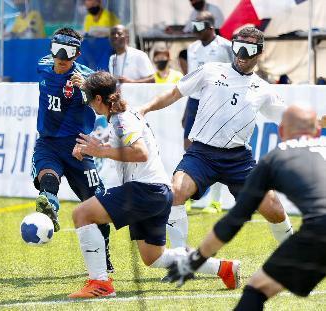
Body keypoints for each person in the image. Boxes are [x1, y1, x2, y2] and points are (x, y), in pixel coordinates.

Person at [68, 71, 240, 298]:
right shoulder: (122, 116)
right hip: (157, 192)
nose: (89, 105)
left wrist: (101, 151)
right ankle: (224, 268)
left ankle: (100, 283)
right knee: (153, 257)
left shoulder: (122, 119)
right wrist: (91, 149)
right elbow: (122, 145)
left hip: (145, 190)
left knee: (82, 214)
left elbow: (140, 153)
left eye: (89, 99)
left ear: (98, 99)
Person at [140, 27, 294, 250]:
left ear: (259, 52)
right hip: (201, 153)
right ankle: (181, 258)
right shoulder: (210, 70)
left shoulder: (264, 89)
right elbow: (175, 92)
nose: (241, 53)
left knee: (275, 210)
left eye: (248, 48)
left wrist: (318, 122)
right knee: (176, 192)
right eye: (237, 46)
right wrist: (144, 109)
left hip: (238, 159)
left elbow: (291, 119)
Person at [163, 105, 326, 311]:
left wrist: (197, 258)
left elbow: (233, 221)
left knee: (256, 290)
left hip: (319, 232)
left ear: (282, 132)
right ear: (319, 131)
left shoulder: (273, 160)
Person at [32, 27, 113, 272]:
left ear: (77, 55)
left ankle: (105, 256)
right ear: (51, 48)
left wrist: (87, 89)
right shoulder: (43, 65)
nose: (61, 57)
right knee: (47, 175)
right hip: (48, 141)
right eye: (58, 49)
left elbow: (110, 98)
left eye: (68, 52)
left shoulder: (87, 78)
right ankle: (50, 207)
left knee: (97, 203)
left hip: (79, 144)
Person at [183, 11, 233, 215]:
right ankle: (186, 195)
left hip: (218, 103)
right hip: (195, 102)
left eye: (198, 26)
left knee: (217, 149)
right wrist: (187, 109)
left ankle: (215, 202)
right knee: (189, 148)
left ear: (210, 27)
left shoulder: (226, 46)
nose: (194, 30)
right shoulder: (192, 48)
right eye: (193, 26)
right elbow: (192, 79)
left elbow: (237, 73)